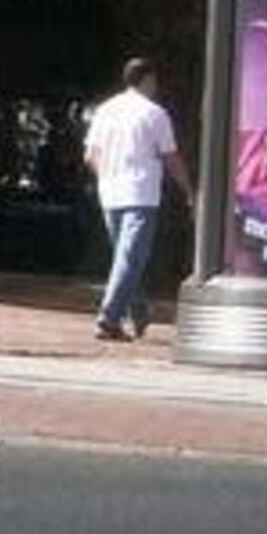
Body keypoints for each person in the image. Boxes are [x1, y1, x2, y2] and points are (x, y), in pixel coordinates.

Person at [82, 57, 195, 343]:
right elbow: (170, 157)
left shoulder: (106, 110)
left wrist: (104, 178)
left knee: (126, 258)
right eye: (154, 81)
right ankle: (109, 319)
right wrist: (189, 189)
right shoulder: (154, 114)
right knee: (130, 258)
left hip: (110, 192)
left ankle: (138, 309)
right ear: (147, 79)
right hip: (141, 193)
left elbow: (90, 155)